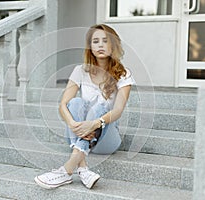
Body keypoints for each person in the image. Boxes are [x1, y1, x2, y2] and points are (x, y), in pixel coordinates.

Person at [34, 24, 135, 189]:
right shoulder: (79, 71)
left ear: (113, 45)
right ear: (90, 47)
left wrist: (94, 124)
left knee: (100, 107)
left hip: (106, 138)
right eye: (95, 41)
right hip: (79, 133)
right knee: (75, 103)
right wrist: (73, 124)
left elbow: (117, 111)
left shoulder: (124, 74)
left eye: (105, 41)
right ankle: (83, 169)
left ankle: (66, 171)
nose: (100, 45)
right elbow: (63, 105)